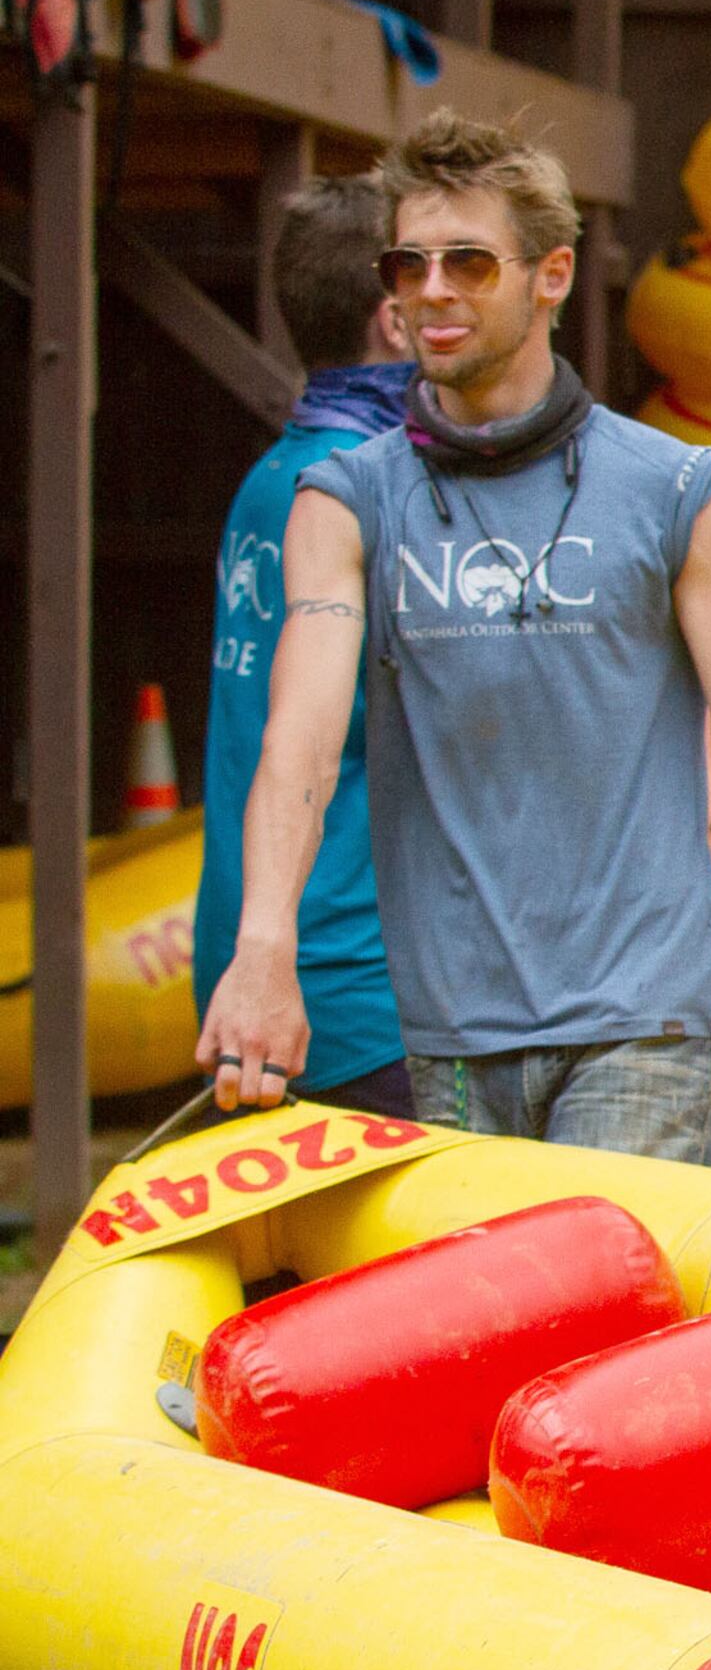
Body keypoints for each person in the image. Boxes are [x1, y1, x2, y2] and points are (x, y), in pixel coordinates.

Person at [196, 110, 711, 1175]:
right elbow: (296, 751)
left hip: (645, 1027)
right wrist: (263, 949)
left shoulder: (674, 493)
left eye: (470, 262)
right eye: (411, 263)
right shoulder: (343, 503)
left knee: (605, 1329)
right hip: (445, 1040)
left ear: (552, 275)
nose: (432, 290)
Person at [193, 173, 413, 1117]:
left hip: (261, 958)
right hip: (356, 988)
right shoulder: (361, 502)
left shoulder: (270, 478)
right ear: (397, 319)